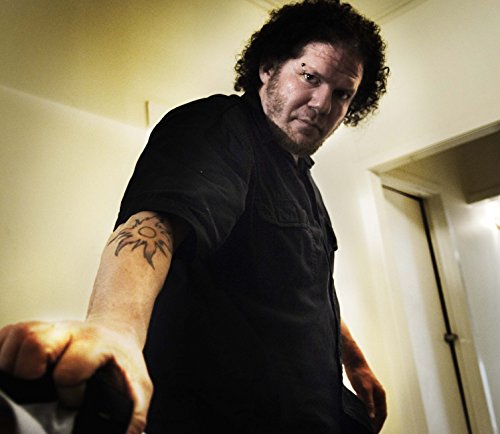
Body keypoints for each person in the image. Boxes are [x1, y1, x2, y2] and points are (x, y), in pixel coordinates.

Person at [0, 0, 390, 433]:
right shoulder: (219, 128)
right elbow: (153, 228)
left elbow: (305, 284)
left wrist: (354, 361)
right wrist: (114, 328)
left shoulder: (302, 177)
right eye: (310, 77)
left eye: (342, 93)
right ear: (268, 68)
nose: (322, 103)